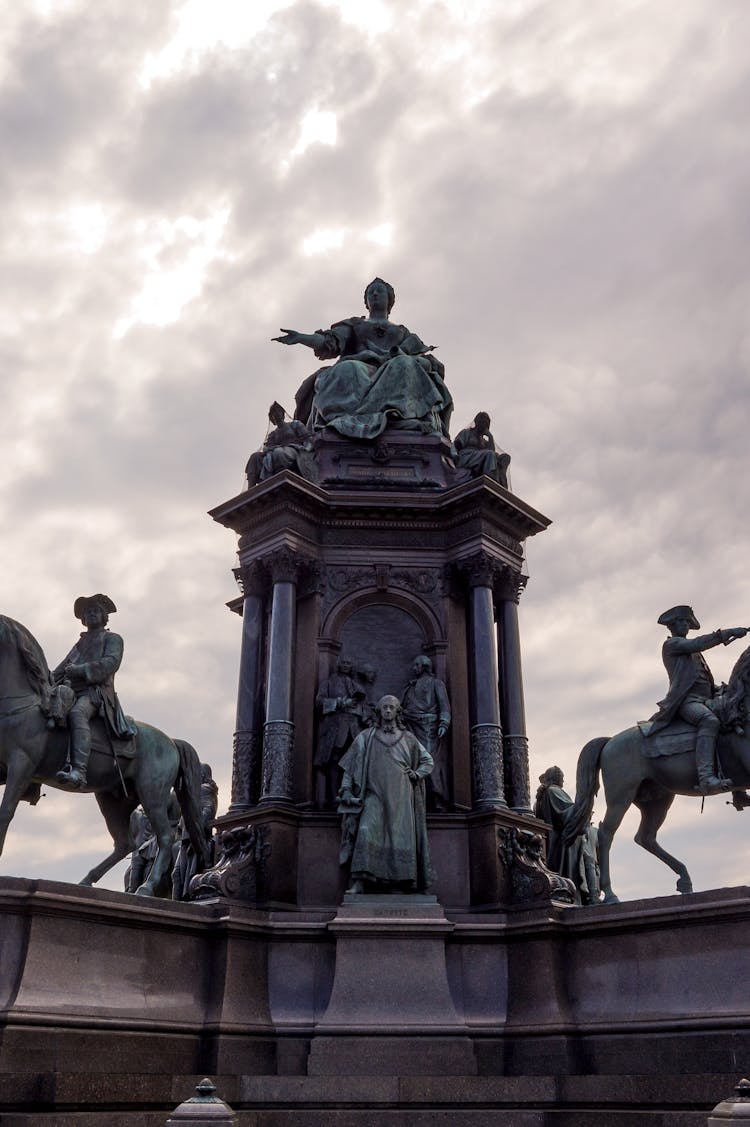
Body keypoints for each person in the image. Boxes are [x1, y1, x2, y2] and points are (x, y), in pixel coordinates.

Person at [274, 278, 453, 440]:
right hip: (361, 367)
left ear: (389, 300)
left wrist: (420, 360)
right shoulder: (355, 325)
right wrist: (301, 338)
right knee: (348, 369)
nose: (374, 294)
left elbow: (421, 357)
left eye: (379, 291)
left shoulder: (403, 333)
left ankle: (397, 415)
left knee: (405, 364)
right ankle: (347, 420)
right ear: (366, 302)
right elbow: (329, 342)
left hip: (393, 369)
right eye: (370, 292)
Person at [337, 694, 434, 893]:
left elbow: (428, 761)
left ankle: (397, 882)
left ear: (398, 711)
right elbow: (350, 767)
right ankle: (359, 882)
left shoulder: (409, 739)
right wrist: (346, 789)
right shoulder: (366, 737)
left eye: (391, 707)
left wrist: (416, 774)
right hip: (374, 795)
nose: (388, 711)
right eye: (384, 708)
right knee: (365, 830)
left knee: (398, 839)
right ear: (379, 711)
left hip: (401, 798)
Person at [649, 605, 748, 794]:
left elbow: (700, 678)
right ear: (672, 625)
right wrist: (728, 633)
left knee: (732, 717)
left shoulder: (693, 652)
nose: (685, 625)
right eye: (682, 621)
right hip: (687, 702)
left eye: (687, 621)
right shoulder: (672, 645)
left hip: (706, 699)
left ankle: (738, 790)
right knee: (708, 721)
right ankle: (706, 778)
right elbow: (698, 643)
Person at [53, 594, 136, 789]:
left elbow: (110, 663)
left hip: (96, 692)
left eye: (95, 611)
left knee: (77, 713)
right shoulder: (80, 644)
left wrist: (81, 670)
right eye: (87, 612)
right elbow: (60, 669)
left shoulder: (112, 639)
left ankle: (79, 771)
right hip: (72, 691)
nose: (91, 614)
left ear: (104, 615)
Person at [400, 655, 451, 810]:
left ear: (424, 666)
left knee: (430, 762)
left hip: (429, 729)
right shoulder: (410, 686)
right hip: (411, 727)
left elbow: (444, 704)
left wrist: (444, 722)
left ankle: (437, 797)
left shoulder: (436, 683)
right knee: (411, 762)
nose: (413, 668)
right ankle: (415, 799)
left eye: (416, 665)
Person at [314, 659, 365, 809]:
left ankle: (354, 795)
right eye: (343, 662)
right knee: (335, 762)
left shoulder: (355, 684)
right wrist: (340, 702)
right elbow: (319, 701)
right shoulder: (329, 683)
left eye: (349, 663)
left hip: (354, 729)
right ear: (338, 665)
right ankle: (333, 796)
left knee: (355, 762)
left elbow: (363, 704)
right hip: (336, 729)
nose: (346, 665)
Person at [533, 766, 583, 890]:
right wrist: (584, 803)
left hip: (553, 842)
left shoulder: (546, 793)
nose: (563, 781)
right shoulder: (553, 791)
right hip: (562, 844)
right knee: (568, 881)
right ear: (555, 777)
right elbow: (568, 814)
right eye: (562, 777)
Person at [245, 401, 314, 486]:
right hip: (275, 451)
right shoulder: (273, 434)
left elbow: (307, 439)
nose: (276, 415)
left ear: (283, 414)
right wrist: (271, 449)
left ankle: (281, 483)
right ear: (272, 419)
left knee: (279, 453)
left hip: (295, 450)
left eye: (278, 412)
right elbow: (267, 447)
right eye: (274, 414)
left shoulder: (295, 424)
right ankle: (251, 490)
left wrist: (307, 449)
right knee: (254, 457)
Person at [453, 412, 510, 487]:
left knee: (505, 457)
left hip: (480, 458)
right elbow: (457, 445)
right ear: (477, 422)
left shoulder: (484, 441)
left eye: (486, 423)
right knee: (489, 454)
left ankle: (501, 483)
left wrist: (490, 437)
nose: (484, 425)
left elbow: (492, 453)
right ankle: (490, 479)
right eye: (483, 422)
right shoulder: (467, 432)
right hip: (466, 457)